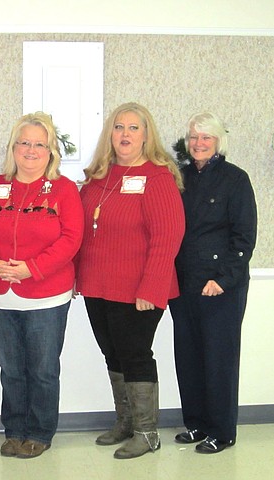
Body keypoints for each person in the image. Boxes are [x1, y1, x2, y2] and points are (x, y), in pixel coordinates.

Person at [75, 102, 185, 459]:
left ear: (146, 135)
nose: (125, 134)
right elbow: (83, 230)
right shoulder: (98, 177)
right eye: (119, 127)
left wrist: (151, 289)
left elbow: (168, 236)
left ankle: (147, 432)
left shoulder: (157, 176)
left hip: (139, 288)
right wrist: (78, 276)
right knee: (113, 353)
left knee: (136, 355)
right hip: (98, 285)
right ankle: (125, 423)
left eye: (133, 128)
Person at [0, 112, 84, 459]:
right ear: (14, 147)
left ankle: (39, 431)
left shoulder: (65, 190)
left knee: (42, 370)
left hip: (46, 295)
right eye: (24, 142)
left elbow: (71, 239)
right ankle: (14, 430)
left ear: (51, 150)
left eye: (40, 144)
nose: (31, 149)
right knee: (10, 369)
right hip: (1, 294)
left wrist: (32, 269)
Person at [169, 112, 257, 454]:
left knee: (219, 359)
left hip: (221, 285)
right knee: (188, 357)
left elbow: (244, 238)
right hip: (184, 282)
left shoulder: (236, 179)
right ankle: (196, 424)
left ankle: (222, 431)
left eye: (205, 137)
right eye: (193, 137)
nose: (198, 143)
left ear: (219, 141)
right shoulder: (181, 177)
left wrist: (223, 280)